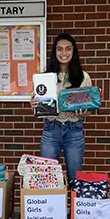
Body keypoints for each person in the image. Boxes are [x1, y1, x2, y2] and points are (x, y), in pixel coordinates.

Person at [31, 33, 92, 182]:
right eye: (59, 49)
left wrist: (84, 113)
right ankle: (53, 206)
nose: (64, 53)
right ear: (54, 52)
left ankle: (72, 205)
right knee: (49, 178)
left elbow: (89, 111)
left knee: (74, 178)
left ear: (73, 51)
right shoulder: (44, 78)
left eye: (68, 49)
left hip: (74, 130)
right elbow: (39, 105)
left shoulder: (84, 77)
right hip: (51, 129)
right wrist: (34, 104)